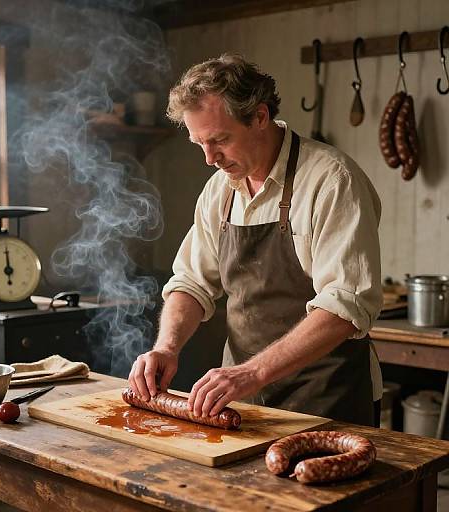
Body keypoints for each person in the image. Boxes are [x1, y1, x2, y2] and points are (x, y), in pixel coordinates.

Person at [128, 54, 383, 426]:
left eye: (219, 140)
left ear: (260, 117)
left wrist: (251, 373)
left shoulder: (332, 180)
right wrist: (166, 348)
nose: (209, 159)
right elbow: (192, 282)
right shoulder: (220, 189)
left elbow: (344, 308)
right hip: (241, 402)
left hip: (327, 401)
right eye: (199, 143)